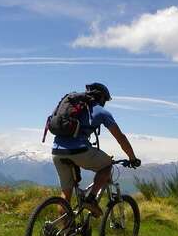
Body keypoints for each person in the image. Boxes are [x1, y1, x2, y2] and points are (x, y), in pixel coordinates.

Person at [52, 82, 140, 218]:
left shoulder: (75, 106)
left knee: (65, 195)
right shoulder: (101, 111)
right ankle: (91, 199)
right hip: (78, 150)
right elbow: (120, 137)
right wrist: (132, 158)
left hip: (57, 151)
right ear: (103, 98)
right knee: (106, 165)